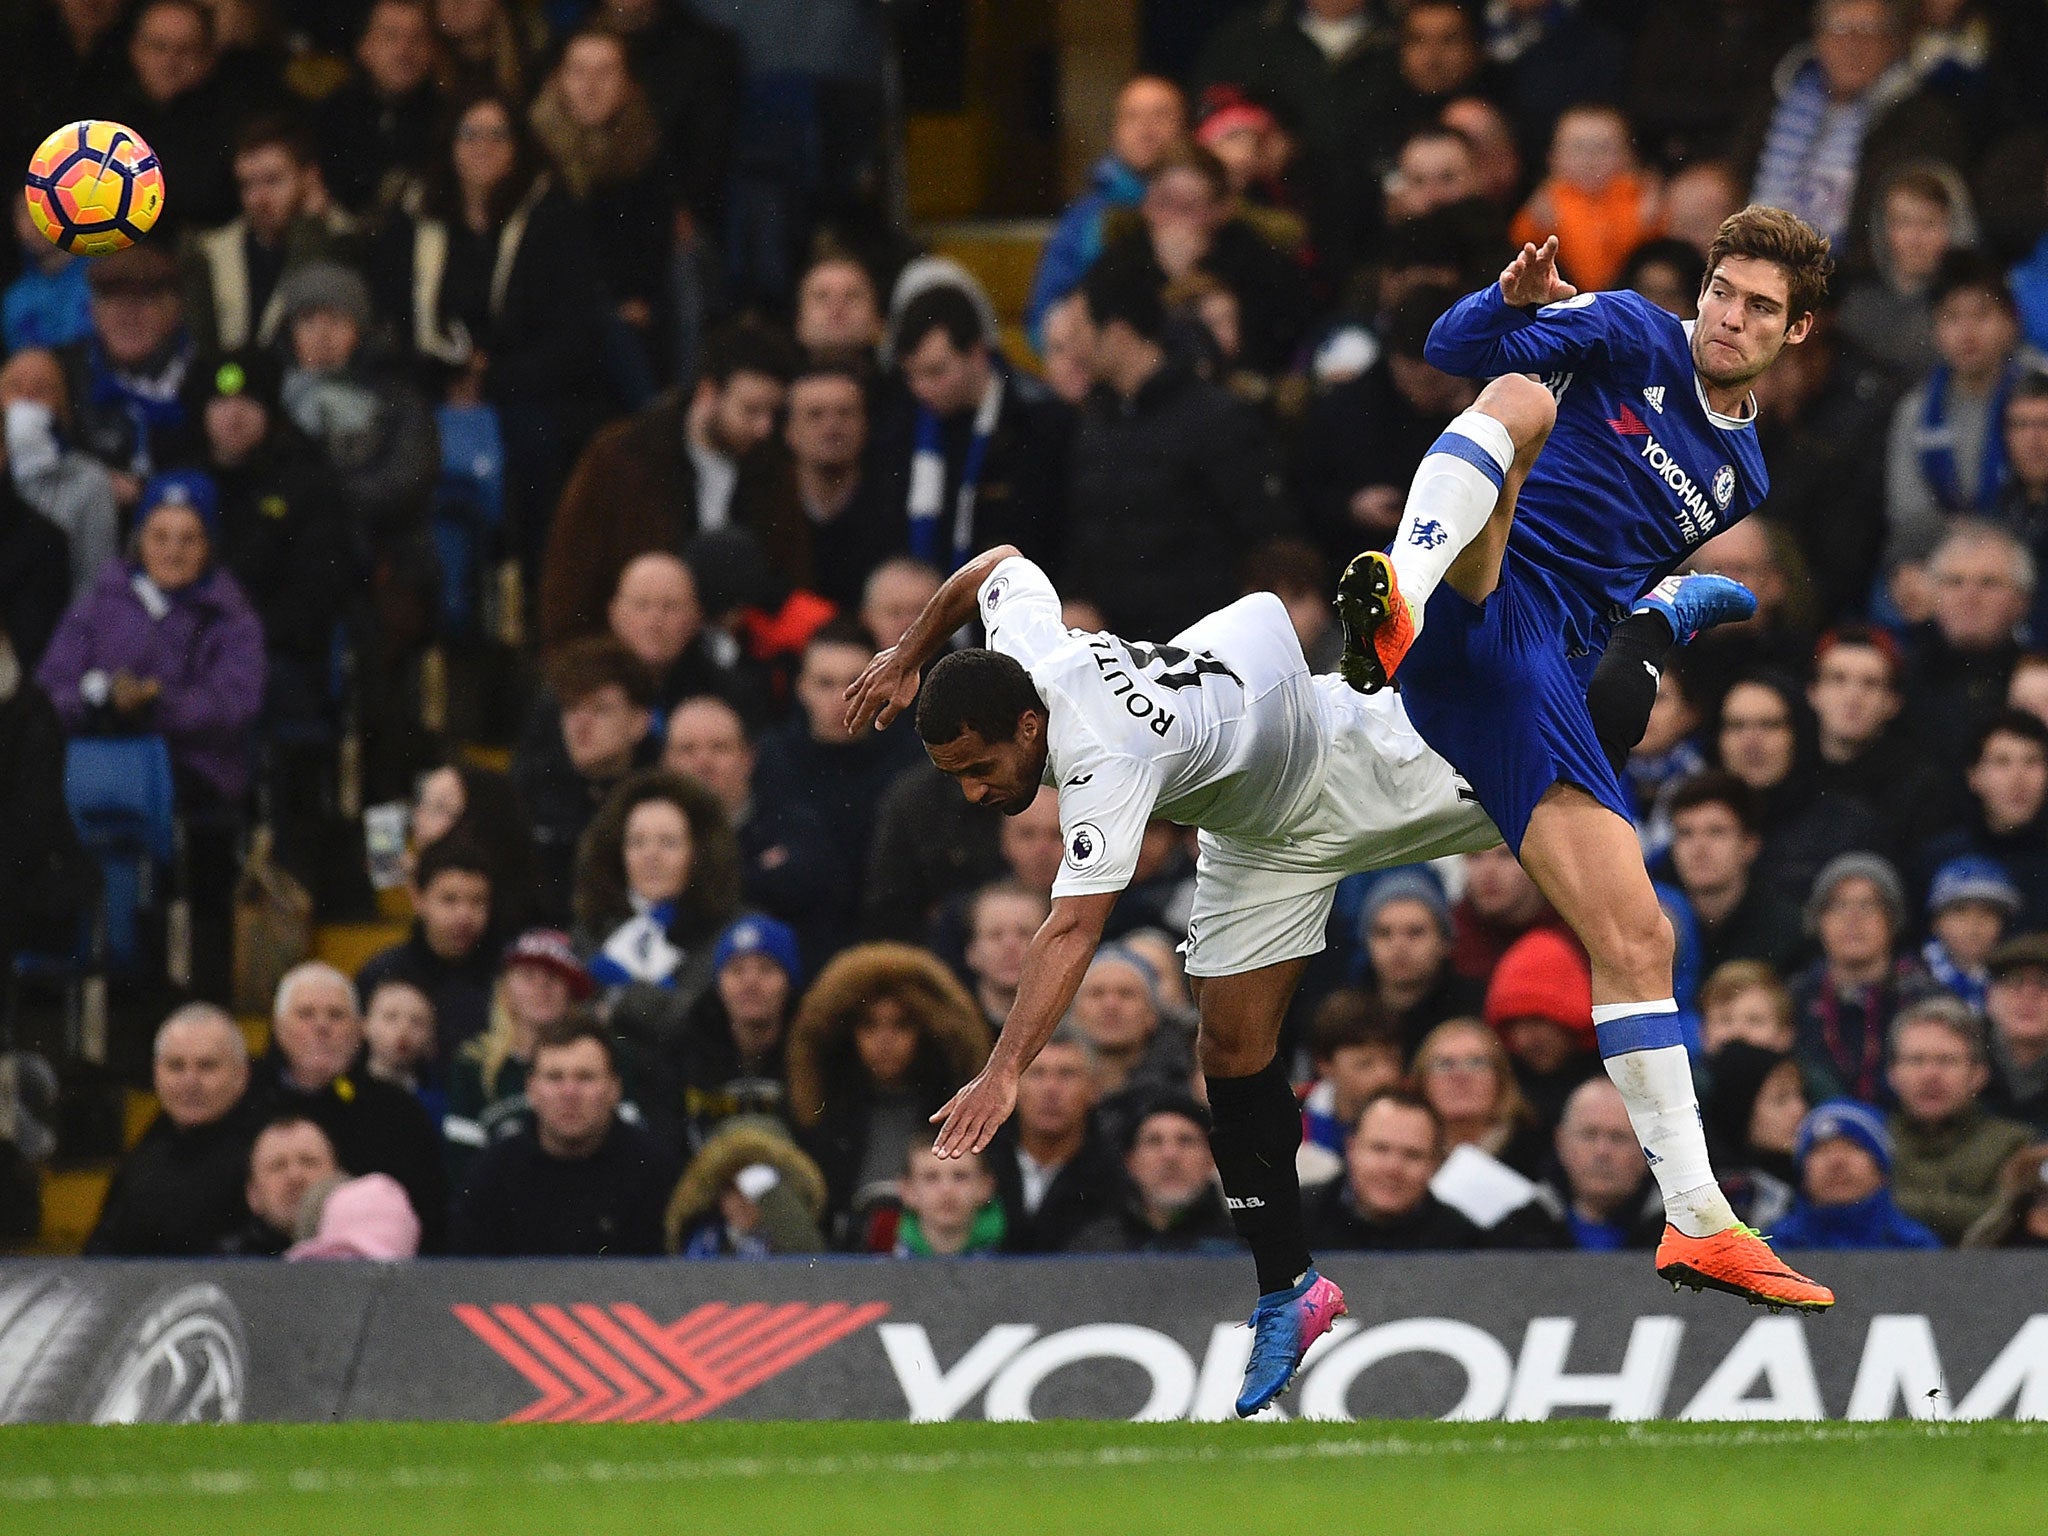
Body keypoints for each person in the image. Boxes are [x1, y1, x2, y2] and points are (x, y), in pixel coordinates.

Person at [841, 541, 1499, 1417]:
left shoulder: (1099, 759)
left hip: (1330, 772)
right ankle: (1289, 1290)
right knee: (1227, 1047)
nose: (971, 794)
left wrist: (1003, 1073)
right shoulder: (1025, 657)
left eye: (979, 770)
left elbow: (1072, 928)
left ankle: (1643, 623)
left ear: (1030, 730)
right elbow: (995, 564)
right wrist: (911, 653)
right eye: (954, 777)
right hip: (1246, 818)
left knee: (1547, 769)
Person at [1331, 208, 1839, 1310]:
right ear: (1699, 288)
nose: (1729, 317)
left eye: (1759, 306)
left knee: (1639, 932)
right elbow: (1450, 355)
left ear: (1793, 332)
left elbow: (1619, 563)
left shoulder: (1742, 475)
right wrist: (1505, 305)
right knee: (1514, 402)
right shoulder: (1624, 328)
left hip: (1536, 668)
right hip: (1477, 591)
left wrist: (1643, 617)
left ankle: (1698, 1221)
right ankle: (1394, 605)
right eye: (1721, 291)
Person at [1062, 248, 1292, 643]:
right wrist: (1079, 600)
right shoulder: (1094, 420)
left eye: (1080, 332)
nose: (1073, 348)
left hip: (1198, 646)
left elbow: (1264, 533)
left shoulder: (1215, 418)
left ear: (1116, 333)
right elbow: (1084, 533)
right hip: (1112, 647)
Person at [539, 318, 799, 648]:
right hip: (632, 661)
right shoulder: (621, 458)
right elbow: (571, 583)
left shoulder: (773, 470)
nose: (763, 427)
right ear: (708, 393)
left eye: (773, 413)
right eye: (750, 410)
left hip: (745, 661)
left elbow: (790, 582)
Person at [783, 942, 990, 1246]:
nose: (884, 1040)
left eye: (901, 1025)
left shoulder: (952, 1112)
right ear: (848, 1033)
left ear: (928, 1030)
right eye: (869, 1026)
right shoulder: (826, 1121)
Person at [1734, 0, 1966, 261]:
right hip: (1758, 255)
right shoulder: (1782, 97)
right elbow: (1736, 174)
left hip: (1851, 273)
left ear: (1893, 44)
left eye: (1868, 31)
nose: (1852, 46)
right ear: (1818, 39)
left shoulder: (1922, 118)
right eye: (1841, 29)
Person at [253, 962, 451, 1251]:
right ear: (280, 1028)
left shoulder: (399, 1112)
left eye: (336, 1015)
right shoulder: (249, 1104)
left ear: (359, 1031)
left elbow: (429, 1217)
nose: (321, 1026)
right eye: (306, 1014)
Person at [877, 284, 1070, 580]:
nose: (921, 388)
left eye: (935, 371)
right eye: (912, 375)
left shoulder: (1037, 424)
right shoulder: (900, 424)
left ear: (978, 354)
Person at [450, 1013, 673, 1255]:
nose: (569, 1092)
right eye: (555, 1077)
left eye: (585, 1077)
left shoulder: (654, 1171)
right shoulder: (492, 1173)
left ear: (614, 1089)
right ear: (531, 1089)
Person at [663, 694, 848, 964]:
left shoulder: (794, 827)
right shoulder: (636, 829)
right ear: (666, 761)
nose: (703, 762)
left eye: (719, 748)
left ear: (748, 757)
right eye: (688, 750)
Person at [573, 768, 742, 1051]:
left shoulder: (732, 933)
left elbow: (700, 1023)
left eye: (668, 842)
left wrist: (621, 997)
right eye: (637, 842)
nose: (651, 856)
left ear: (700, 852)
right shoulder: (590, 931)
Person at [1884, 254, 2030, 573]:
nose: (1967, 332)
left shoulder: (2038, 391)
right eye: (1951, 317)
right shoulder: (1915, 410)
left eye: (1981, 314)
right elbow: (1908, 516)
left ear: (2010, 321)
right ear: (1935, 329)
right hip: (1943, 561)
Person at [85, 1005, 261, 1255]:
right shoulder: (143, 1158)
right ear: (156, 1073)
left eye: (207, 1066)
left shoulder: (270, 1152)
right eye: (176, 1066)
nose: (190, 1082)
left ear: (241, 1075)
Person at [1025, 75, 1186, 343]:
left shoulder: (1209, 206)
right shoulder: (1085, 217)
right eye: (1133, 117)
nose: (1147, 129)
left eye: (1161, 115)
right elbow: (1044, 318)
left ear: (1184, 127)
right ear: (1115, 131)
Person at [512, 636, 661, 925]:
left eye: (600, 709)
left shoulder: (663, 797)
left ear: (639, 723)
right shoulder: (530, 793)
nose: (580, 723)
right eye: (571, 708)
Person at [183, 116, 358, 357]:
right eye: (248, 185)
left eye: (272, 181)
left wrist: (311, 228)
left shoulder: (349, 242)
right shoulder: (214, 251)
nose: (258, 199)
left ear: (310, 178)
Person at [1886, 995, 2034, 1244]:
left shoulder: (2013, 1144)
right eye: (1916, 1060)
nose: (1930, 1074)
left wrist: (1890, 1205)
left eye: (1947, 1060)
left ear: (1978, 1074)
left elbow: (2001, 1220)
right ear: (1893, 1073)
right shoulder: (1871, 1141)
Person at [1790, 853, 1934, 1104]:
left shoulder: (1926, 1000)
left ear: (1892, 919)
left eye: (1868, 905)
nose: (1853, 918)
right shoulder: (1794, 999)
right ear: (1818, 921)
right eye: (1838, 905)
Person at [444, 927, 592, 1164]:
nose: (542, 986)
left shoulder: (605, 1059)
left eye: (554, 976)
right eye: (528, 975)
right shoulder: (472, 1064)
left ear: (571, 993)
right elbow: (461, 1165)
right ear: (504, 992)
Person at [357, 834, 501, 1062]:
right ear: (418, 898)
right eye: (449, 900)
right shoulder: (382, 974)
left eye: (477, 901)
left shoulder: (504, 976)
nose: (464, 916)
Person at [982, 1026, 1119, 1253]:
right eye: (1037, 1074)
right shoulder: (981, 1162)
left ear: (1094, 1089)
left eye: (1067, 1074)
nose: (1051, 1089)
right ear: (1013, 1088)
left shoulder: (1116, 1174)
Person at [671, 915, 801, 1148]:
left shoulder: (814, 1054)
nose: (750, 982)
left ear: (789, 983)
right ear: (718, 984)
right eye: (736, 970)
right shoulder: (683, 1052)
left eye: (766, 969)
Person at [1302, 1089, 1488, 1251]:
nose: (1393, 1168)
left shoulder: (1462, 1241)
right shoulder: (1293, 1218)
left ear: (1434, 1164)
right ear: (1351, 1149)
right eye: (1380, 1148)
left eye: (1412, 1155)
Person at [1664, 771, 1806, 979]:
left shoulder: (1786, 930)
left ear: (1749, 845)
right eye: (1685, 833)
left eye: (1716, 832)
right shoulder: (1655, 914)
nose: (1699, 848)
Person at [1838, 164, 1973, 380]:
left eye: (1929, 223)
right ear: (1882, 230)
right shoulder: (1856, 309)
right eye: (1902, 223)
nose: (1915, 239)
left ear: (1956, 228)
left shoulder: (1974, 312)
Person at [1509, 105, 1661, 297]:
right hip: (1563, 299)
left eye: (1603, 148)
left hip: (1627, 298)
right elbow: (1520, 245)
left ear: (1629, 156)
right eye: (1578, 148)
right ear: (1552, 157)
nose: (1590, 159)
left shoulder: (1641, 198)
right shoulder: (1546, 200)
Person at [1917, 710, 2048, 930]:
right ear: (1974, 776)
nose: (2019, 778)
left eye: (2032, 761)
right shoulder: (1938, 859)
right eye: (2002, 762)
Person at [314, 0, 444, 214]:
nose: (404, 51)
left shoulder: (447, 117)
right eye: (391, 37)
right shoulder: (331, 115)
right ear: (364, 48)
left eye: (416, 38)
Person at [1068, 1095, 1238, 1255]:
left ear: (1211, 1159)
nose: (1170, 1156)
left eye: (1185, 1140)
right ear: (1131, 1162)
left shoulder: (1241, 1244)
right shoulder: (1095, 1247)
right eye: (1154, 1141)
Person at [1771, 1099, 1943, 1249]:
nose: (1836, 1161)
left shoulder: (1915, 1246)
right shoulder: (1773, 1248)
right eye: (1821, 1150)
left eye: (1853, 1147)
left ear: (1881, 1168)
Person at [1532, 1076, 1666, 1250]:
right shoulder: (1517, 1235)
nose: (1602, 1151)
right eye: (1589, 1135)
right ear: (1560, 1142)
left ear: (1647, 1150)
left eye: (1618, 1137)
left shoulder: (1684, 1234)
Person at [1413, 1016, 1548, 1177]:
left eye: (1476, 1063)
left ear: (1500, 1079)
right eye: (1444, 1064)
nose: (1460, 1075)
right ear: (1422, 1082)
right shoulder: (1405, 1152)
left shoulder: (1540, 1152)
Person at [1298, 991, 1405, 1160]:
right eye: (1365, 1064)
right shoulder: (1294, 1118)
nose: (1385, 1075)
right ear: (1325, 1065)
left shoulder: (1420, 1111)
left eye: (1392, 1059)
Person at [221, 1115, 342, 1256]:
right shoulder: (227, 1265)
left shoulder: (369, 1253)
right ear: (252, 1194)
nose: (295, 1176)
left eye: (309, 1162)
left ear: (339, 1178)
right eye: (278, 1166)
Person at [1918, 855, 2021, 1010]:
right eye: (1960, 911)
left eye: (1988, 912)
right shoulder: (1909, 979)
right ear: (1936, 921)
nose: (1974, 925)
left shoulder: (2014, 983)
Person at [889, 1143, 1006, 1257]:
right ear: (907, 1190)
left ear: (985, 1186)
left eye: (960, 1176)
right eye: (931, 1177)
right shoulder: (884, 1260)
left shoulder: (1013, 1251)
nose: (947, 1189)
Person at [963, 881, 1050, 1031]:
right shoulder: (949, 1028)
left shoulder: (1079, 1032)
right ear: (972, 951)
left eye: (1024, 933)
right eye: (995, 935)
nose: (1010, 946)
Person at [1982, 934, 2048, 1131]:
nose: (2028, 995)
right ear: (1989, 997)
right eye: (2014, 981)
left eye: (2044, 983)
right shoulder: (1961, 1057)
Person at [1697, 961, 1798, 1056]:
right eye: (1725, 1020)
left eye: (1754, 1020)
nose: (1738, 1032)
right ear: (1703, 1032)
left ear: (1784, 1033)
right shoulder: (1687, 1074)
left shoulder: (1806, 1073)